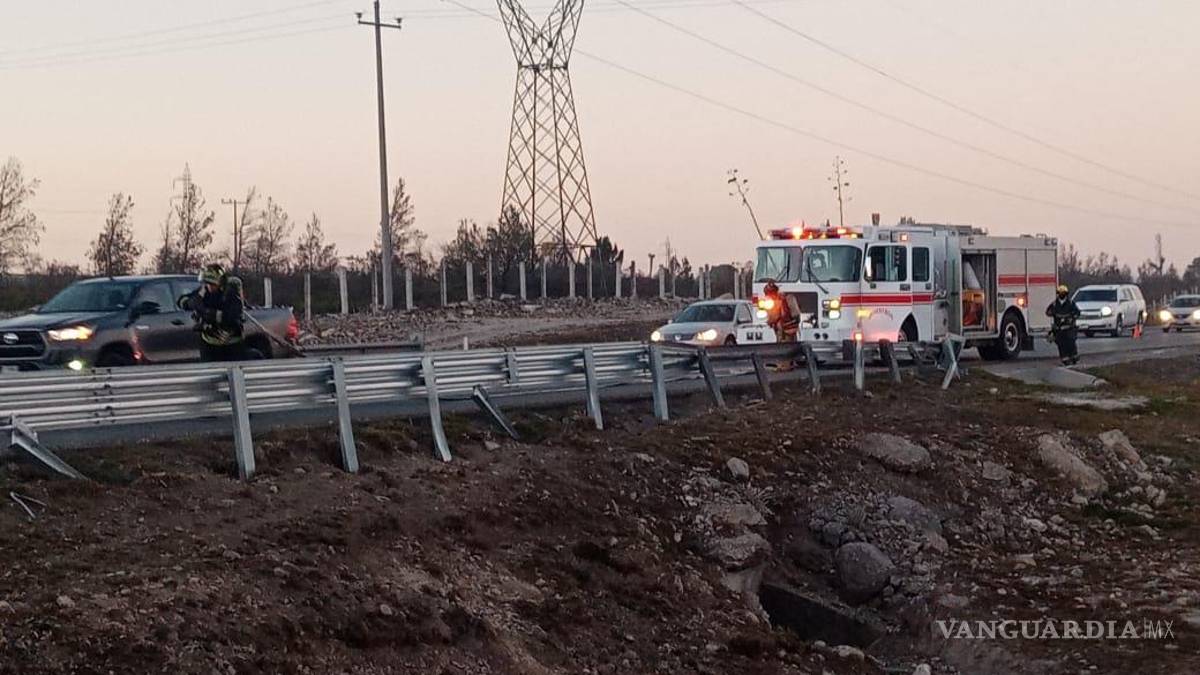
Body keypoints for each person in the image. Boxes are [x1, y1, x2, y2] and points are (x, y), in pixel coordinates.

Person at [179, 263, 249, 362]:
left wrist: (207, 313)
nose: (209, 287)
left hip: (230, 345)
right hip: (208, 344)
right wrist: (194, 302)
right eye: (207, 283)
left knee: (232, 372)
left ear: (220, 283)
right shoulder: (203, 292)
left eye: (212, 284)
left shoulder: (230, 294)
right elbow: (182, 301)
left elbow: (231, 317)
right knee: (210, 372)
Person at [1046, 284, 1081, 365]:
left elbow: (1077, 312)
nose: (1061, 295)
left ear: (1066, 294)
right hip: (1058, 327)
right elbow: (1048, 312)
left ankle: (1074, 355)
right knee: (1060, 343)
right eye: (1060, 293)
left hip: (1069, 327)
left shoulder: (1071, 303)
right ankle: (1064, 357)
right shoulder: (1054, 304)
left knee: (1071, 341)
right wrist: (1052, 313)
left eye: (1063, 293)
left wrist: (1072, 317)